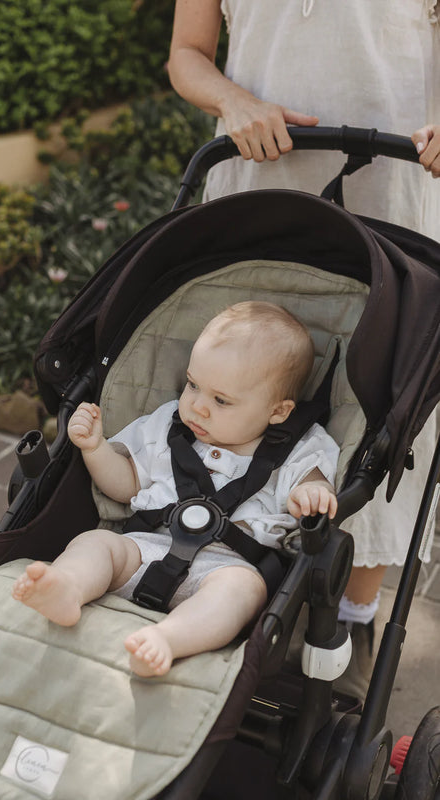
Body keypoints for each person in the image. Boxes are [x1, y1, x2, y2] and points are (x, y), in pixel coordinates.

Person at [167, 0, 440, 693]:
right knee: (242, 385)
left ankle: (353, 617)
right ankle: (224, 570)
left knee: (384, 402)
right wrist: (232, 101)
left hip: (400, 185)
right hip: (261, 180)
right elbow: (187, 54)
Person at [13, 301, 339, 677]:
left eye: (220, 400)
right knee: (96, 543)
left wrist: (312, 495)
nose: (197, 406)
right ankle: (68, 587)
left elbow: (313, 483)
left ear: (278, 412)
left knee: (242, 592)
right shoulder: (166, 426)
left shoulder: (298, 447)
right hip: (146, 548)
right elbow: (125, 485)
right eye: (192, 384)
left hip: (228, 566)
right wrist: (95, 448)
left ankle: (168, 639)